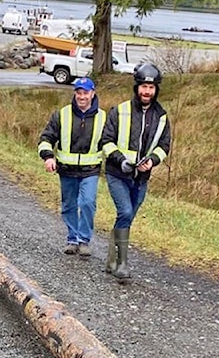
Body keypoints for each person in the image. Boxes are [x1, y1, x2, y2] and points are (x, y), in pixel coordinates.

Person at [100, 62, 171, 279]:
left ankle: (111, 259)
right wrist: (120, 160)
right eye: (143, 87)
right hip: (117, 174)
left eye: (151, 88)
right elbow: (106, 141)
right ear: (137, 87)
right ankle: (122, 265)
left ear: (156, 89)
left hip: (141, 178)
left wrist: (153, 161)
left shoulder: (162, 116)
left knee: (126, 219)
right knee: (125, 213)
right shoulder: (119, 111)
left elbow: (164, 145)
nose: (146, 91)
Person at [37, 77, 106, 257]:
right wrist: (48, 157)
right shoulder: (62, 114)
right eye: (78, 92)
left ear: (93, 93)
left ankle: (84, 240)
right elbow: (46, 138)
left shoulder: (104, 117)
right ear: (75, 93)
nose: (81, 96)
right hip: (66, 170)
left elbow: (110, 142)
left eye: (85, 93)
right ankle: (72, 239)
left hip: (90, 169)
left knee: (87, 203)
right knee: (68, 205)